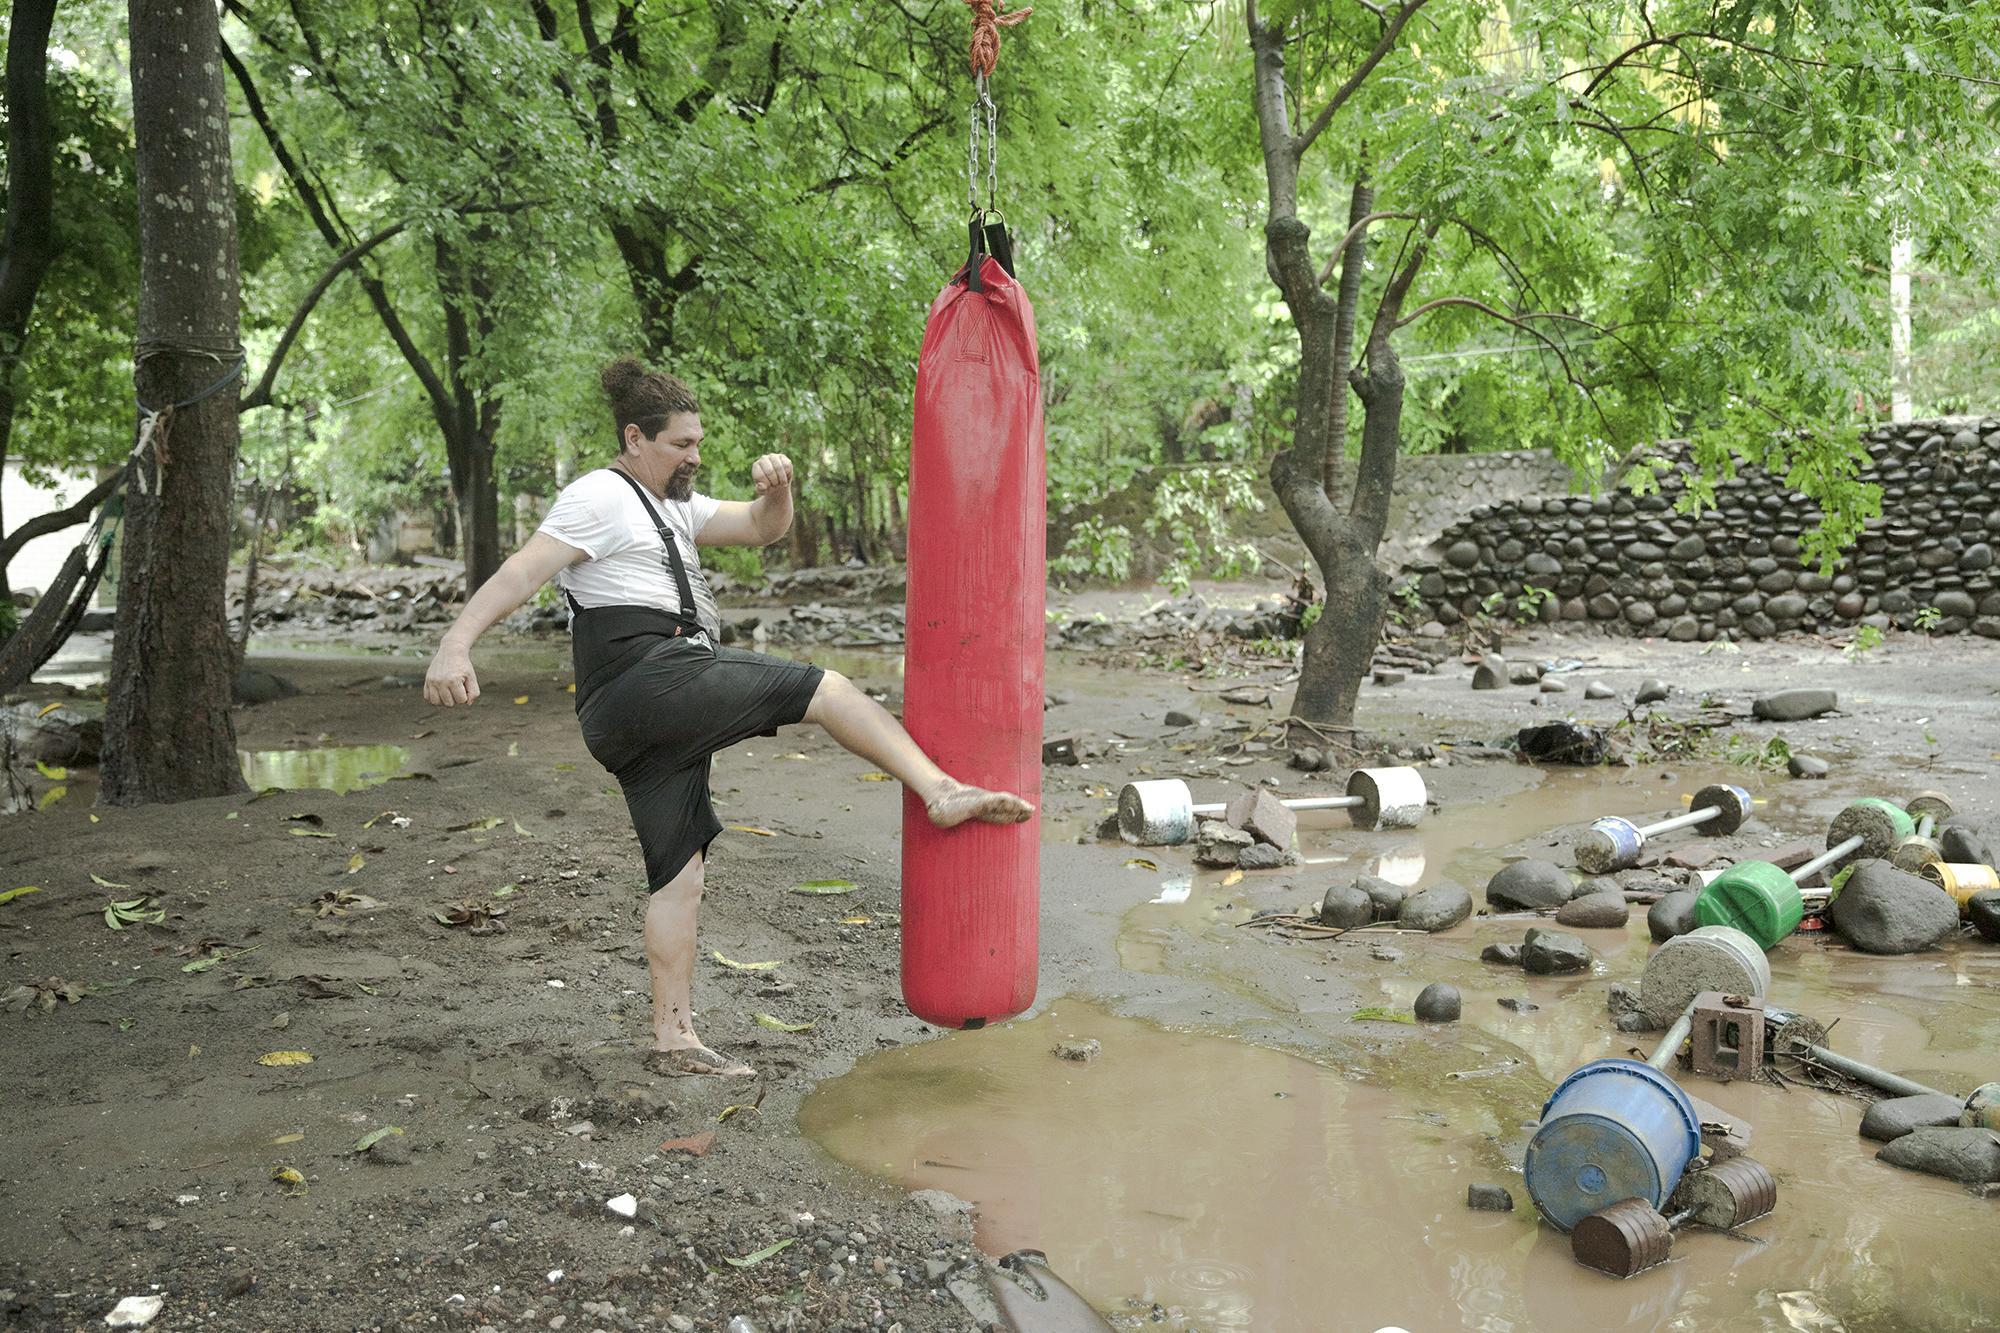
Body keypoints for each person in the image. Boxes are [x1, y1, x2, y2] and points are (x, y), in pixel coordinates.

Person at [423, 357, 1033, 1076]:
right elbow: (524, 569)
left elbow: (759, 528)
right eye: (682, 443)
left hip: (634, 714)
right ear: (635, 438)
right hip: (649, 679)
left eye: (698, 442)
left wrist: (780, 490)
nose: (695, 455)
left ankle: (672, 1037)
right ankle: (941, 791)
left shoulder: (673, 504)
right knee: (828, 688)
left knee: (679, 878)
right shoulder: (598, 495)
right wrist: (455, 644)